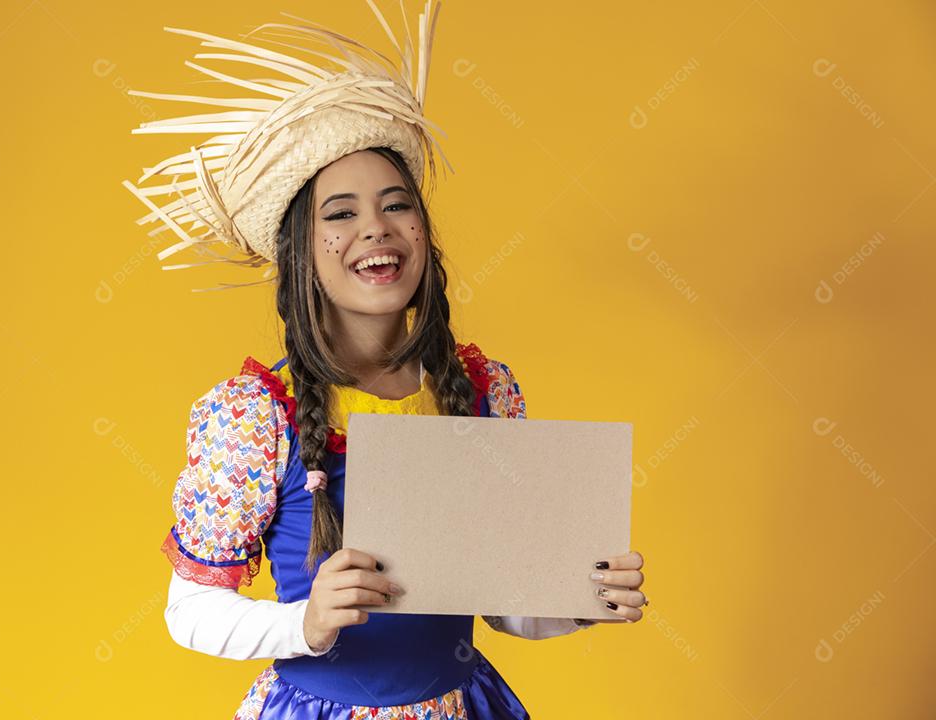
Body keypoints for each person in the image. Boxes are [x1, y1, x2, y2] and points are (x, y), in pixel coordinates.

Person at [123, 3, 648, 717]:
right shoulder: (255, 418)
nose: (376, 227)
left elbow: (503, 604)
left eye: (397, 205)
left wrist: (581, 600)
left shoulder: (482, 394)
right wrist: (305, 624)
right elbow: (189, 611)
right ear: (300, 253)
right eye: (341, 213)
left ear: (424, 232)